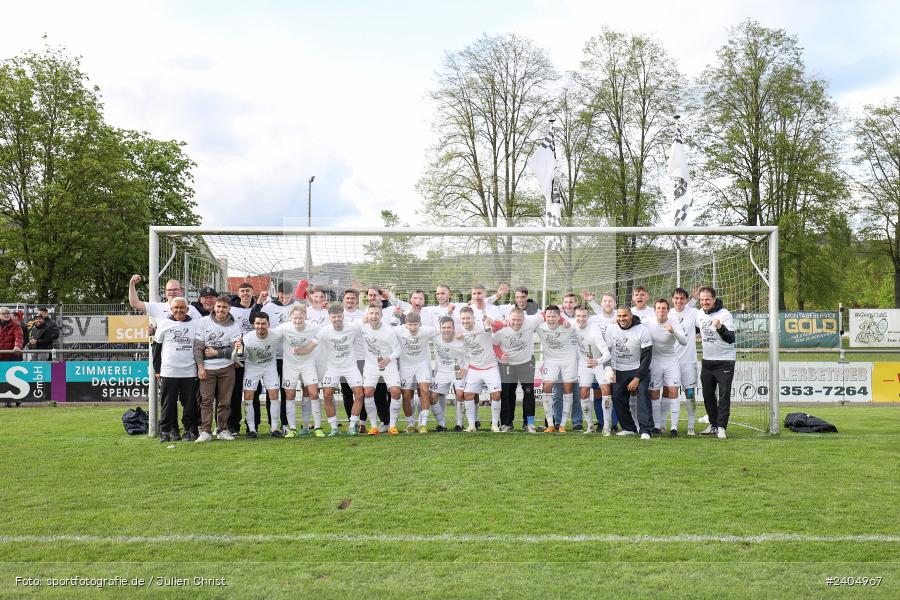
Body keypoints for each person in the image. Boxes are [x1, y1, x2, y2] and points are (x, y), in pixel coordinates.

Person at [300, 305, 366, 435]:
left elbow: (368, 327)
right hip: (333, 368)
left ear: (343, 316)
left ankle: (352, 425)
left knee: (359, 394)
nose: (337, 319)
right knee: (327, 394)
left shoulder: (353, 327)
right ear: (330, 317)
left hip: (350, 367)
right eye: (334, 317)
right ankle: (334, 428)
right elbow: (309, 348)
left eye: (339, 316)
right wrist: (298, 350)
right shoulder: (324, 331)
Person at [277, 304, 335, 436]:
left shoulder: (313, 327)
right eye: (295, 318)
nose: (298, 321)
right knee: (290, 395)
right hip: (290, 366)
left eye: (300, 318)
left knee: (313, 394)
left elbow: (326, 333)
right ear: (291, 317)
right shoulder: (284, 327)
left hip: (308, 364)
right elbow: (271, 335)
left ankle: (317, 427)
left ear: (305, 317)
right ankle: (292, 429)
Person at [193, 295, 242, 442]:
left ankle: (222, 429)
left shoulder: (234, 325)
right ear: (214, 306)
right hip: (207, 368)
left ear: (229, 309)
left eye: (224, 307)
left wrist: (217, 352)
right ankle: (205, 431)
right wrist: (200, 367)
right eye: (219, 306)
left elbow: (235, 350)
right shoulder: (203, 322)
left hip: (227, 368)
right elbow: (198, 348)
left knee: (225, 401)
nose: (221, 310)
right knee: (206, 401)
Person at [154, 298, 201, 442]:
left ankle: (190, 429)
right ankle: (167, 431)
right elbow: (156, 348)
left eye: (182, 308)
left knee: (190, 403)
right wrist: (157, 369)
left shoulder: (196, 325)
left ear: (187, 310)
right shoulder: (164, 324)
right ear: (171, 309)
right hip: (169, 371)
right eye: (176, 308)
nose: (179, 310)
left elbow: (199, 348)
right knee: (168, 403)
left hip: (190, 371)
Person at [605, 306, 653, 440]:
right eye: (619, 316)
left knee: (643, 395)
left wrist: (637, 378)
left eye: (624, 316)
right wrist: (609, 369)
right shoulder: (611, 328)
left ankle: (645, 430)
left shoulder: (642, 330)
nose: (622, 319)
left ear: (631, 316)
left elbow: (647, 356)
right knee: (617, 398)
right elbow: (605, 352)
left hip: (638, 369)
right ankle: (629, 428)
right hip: (618, 370)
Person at [492, 307, 544, 432]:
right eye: (513, 320)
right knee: (507, 394)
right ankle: (506, 424)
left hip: (526, 363)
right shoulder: (501, 330)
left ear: (524, 319)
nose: (516, 323)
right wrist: (500, 355)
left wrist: (561, 310)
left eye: (519, 320)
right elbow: (494, 344)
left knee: (529, 393)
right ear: (508, 319)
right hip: (507, 365)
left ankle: (529, 424)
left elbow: (546, 313)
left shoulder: (531, 321)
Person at [696, 286, 736, 440]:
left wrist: (720, 327)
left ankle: (721, 427)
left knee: (724, 396)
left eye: (707, 299)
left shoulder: (725, 314)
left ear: (714, 299)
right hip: (707, 361)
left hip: (725, 362)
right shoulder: (699, 314)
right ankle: (713, 425)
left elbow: (730, 338)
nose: (704, 302)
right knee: (708, 396)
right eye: (702, 300)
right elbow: (693, 330)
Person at [258, 282, 298, 434]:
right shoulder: (269, 307)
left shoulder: (297, 306)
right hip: (272, 356)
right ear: (278, 293)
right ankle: (272, 425)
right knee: (272, 390)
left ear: (291, 294)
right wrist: (259, 303)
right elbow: (255, 321)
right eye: (281, 294)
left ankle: (286, 424)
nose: (284, 297)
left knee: (286, 390)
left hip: (290, 357)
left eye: (287, 295)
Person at [237, 311, 284, 438]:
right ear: (254, 324)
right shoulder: (247, 338)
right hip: (252, 368)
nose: (260, 326)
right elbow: (239, 355)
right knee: (248, 397)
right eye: (257, 323)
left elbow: (289, 336)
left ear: (268, 324)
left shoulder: (276, 334)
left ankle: (274, 428)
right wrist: (238, 348)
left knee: (274, 395)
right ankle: (252, 429)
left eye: (263, 323)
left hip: (270, 368)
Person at [645, 299, 688, 436]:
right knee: (654, 393)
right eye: (658, 308)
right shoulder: (648, 322)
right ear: (654, 310)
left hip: (671, 361)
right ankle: (657, 426)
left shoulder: (673, 323)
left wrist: (673, 331)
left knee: (673, 392)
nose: (661, 311)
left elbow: (684, 341)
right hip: (654, 361)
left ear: (668, 311)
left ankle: (674, 428)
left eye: (664, 308)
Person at [360, 304, 404, 435]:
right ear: (367, 315)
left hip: (388, 364)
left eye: (376, 313)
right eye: (371, 313)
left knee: (396, 392)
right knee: (367, 392)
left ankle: (393, 426)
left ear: (381, 316)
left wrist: (388, 359)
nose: (373, 316)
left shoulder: (388, 331)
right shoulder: (361, 327)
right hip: (371, 365)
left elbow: (398, 350)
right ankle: (373, 426)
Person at [458, 306, 503, 432]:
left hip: (490, 366)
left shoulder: (483, 326)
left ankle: (494, 424)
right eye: (463, 318)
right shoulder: (460, 331)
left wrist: (492, 322)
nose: (465, 321)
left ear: (474, 318)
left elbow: (498, 326)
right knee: (467, 395)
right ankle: (472, 425)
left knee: (496, 394)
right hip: (474, 367)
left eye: (468, 318)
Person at [533, 305, 577, 433]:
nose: (551, 319)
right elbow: (528, 321)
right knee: (546, 387)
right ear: (545, 317)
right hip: (551, 360)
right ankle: (550, 425)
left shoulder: (569, 326)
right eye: (548, 316)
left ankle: (562, 425)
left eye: (554, 316)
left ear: (559, 317)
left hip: (568, 360)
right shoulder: (540, 327)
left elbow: (582, 325)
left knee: (567, 388)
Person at [229, 282, 264, 435]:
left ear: (252, 292)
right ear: (238, 293)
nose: (245, 293)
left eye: (247, 291)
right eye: (242, 291)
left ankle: (253, 426)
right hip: (239, 356)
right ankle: (234, 426)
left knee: (254, 392)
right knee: (235, 393)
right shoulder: (231, 309)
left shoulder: (260, 306)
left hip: (255, 357)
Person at [582, 289, 619, 433]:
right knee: (597, 392)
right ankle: (602, 422)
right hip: (596, 360)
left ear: (615, 303)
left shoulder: (619, 316)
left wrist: (591, 301)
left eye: (610, 301)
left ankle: (613, 423)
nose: (607, 303)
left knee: (610, 391)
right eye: (605, 301)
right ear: (601, 303)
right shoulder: (594, 319)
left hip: (613, 360)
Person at [573, 305, 612, 435]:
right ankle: (590, 426)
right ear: (575, 316)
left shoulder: (594, 331)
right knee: (583, 393)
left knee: (605, 390)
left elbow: (607, 354)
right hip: (584, 364)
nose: (581, 319)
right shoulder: (573, 326)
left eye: (584, 316)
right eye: (578, 316)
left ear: (588, 317)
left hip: (599, 362)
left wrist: (598, 361)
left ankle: (606, 426)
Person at [396, 312, 437, 433]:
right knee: (407, 395)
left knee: (424, 391)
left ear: (420, 324)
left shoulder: (427, 330)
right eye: (410, 325)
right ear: (405, 325)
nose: (413, 328)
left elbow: (444, 329)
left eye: (415, 325)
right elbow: (384, 332)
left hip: (422, 364)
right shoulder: (398, 330)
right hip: (405, 366)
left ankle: (423, 424)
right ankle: (410, 424)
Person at [670, 288, 701, 435]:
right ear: (672, 299)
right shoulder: (667, 314)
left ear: (686, 300)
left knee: (690, 394)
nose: (679, 301)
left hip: (689, 361)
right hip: (671, 362)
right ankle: (669, 425)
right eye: (676, 298)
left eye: (682, 298)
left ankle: (691, 427)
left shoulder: (694, 313)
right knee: (670, 393)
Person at [428, 316, 468, 432]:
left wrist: (465, 369)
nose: (446, 330)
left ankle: (459, 424)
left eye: (449, 327)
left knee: (460, 394)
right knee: (433, 396)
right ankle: (441, 424)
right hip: (442, 372)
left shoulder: (460, 341)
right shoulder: (435, 337)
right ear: (440, 328)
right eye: (443, 327)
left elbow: (469, 355)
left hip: (457, 371)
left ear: (454, 328)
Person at [128, 275, 202, 320]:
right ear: (165, 292)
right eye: (169, 290)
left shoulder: (191, 309)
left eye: (175, 289)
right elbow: (135, 303)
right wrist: (132, 284)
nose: (172, 292)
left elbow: (202, 328)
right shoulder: (158, 307)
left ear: (181, 291)